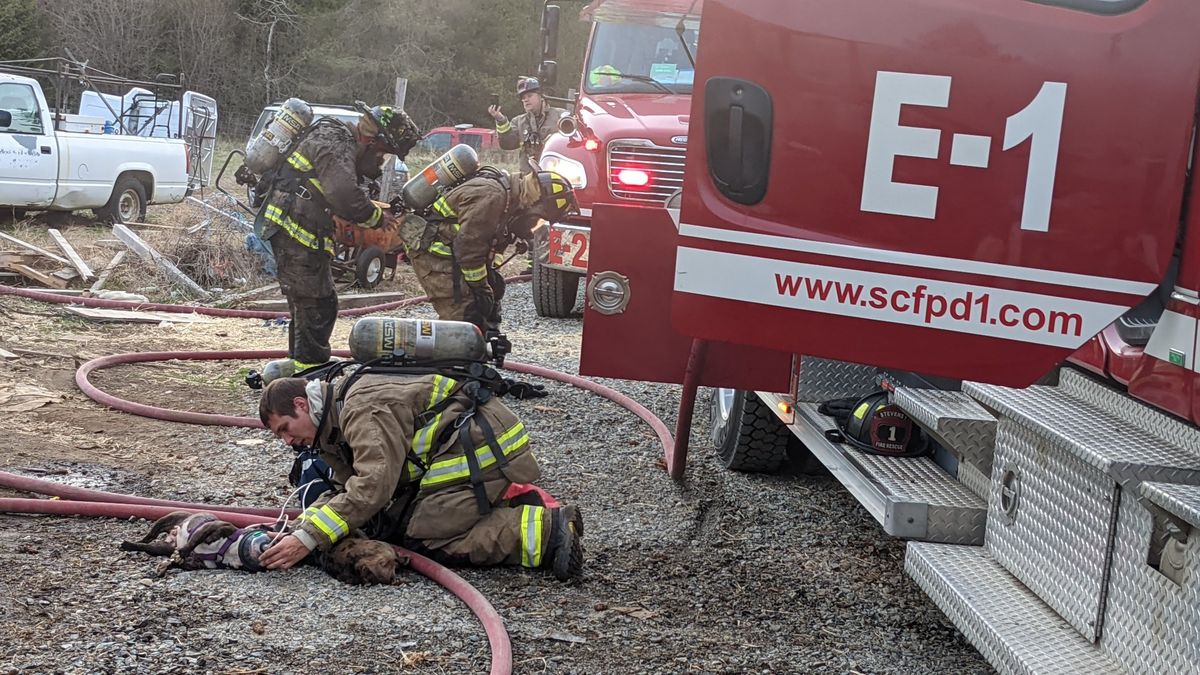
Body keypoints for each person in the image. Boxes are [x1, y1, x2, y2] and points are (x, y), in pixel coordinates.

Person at [256, 372, 585, 580]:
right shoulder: (329, 426)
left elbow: (373, 486)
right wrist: (300, 529)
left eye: (285, 429)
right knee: (388, 523)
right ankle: (504, 508)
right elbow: (349, 489)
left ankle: (548, 532)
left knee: (423, 537)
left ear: (301, 404)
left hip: (480, 452)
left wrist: (307, 539)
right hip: (458, 452)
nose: (287, 441)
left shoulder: (360, 411)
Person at [257, 102, 420, 378]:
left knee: (313, 302)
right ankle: (311, 374)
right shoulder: (337, 140)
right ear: (371, 140)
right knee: (316, 303)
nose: (380, 162)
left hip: (298, 228)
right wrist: (377, 218)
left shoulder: (336, 138)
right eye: (382, 153)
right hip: (294, 229)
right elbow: (343, 193)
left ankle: (303, 368)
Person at [405, 168, 577, 333]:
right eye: (538, 219)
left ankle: (481, 350)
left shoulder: (510, 199)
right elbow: (469, 250)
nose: (533, 226)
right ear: (535, 203)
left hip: (456, 251)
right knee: (462, 319)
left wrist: (491, 279)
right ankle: (451, 358)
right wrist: (482, 288)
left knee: (490, 302)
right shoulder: (493, 197)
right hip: (433, 251)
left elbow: (492, 243)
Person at [488, 77, 568, 174]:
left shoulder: (560, 116)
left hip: (556, 176)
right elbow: (507, 144)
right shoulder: (518, 122)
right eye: (523, 98)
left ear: (541, 96)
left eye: (529, 96)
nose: (526, 100)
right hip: (528, 180)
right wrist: (501, 120)